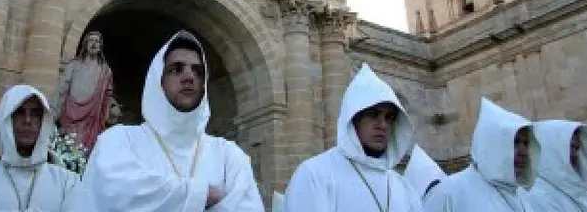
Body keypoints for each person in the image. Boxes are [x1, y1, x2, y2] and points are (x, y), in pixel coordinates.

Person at [78, 30, 264, 211]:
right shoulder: (119, 139)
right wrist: (202, 195)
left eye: (198, 72)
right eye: (176, 69)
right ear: (158, 80)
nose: (189, 77)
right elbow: (116, 191)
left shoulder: (229, 155)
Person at [283, 63, 423, 211]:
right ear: (353, 119)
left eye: (389, 117)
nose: (382, 125)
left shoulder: (404, 188)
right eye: (373, 114)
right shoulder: (315, 174)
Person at [423, 98, 539, 211]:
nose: (523, 152)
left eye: (526, 143)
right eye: (515, 142)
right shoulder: (449, 192)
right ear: (492, 144)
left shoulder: (522, 196)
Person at [527, 119, 587, 211]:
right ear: (551, 148)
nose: (574, 154)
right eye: (570, 147)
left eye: (576, 148)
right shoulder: (538, 195)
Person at [54, 30, 115, 152]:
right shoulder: (73, 65)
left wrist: (106, 116)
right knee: (67, 149)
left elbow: (107, 96)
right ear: (85, 44)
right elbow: (62, 90)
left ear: (100, 46)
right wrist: (54, 111)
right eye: (91, 41)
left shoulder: (105, 71)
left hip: (92, 119)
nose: (94, 44)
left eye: (97, 42)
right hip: (69, 115)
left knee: (85, 151)